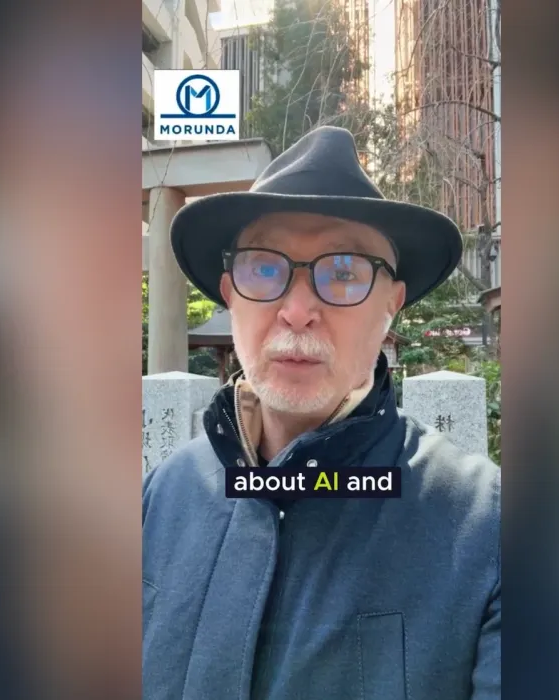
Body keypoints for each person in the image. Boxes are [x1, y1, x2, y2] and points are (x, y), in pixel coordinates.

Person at [142, 126, 501, 699]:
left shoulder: (485, 528)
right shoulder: (163, 496)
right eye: (264, 268)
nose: (297, 310)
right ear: (230, 294)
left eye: (344, 271)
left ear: (391, 305)